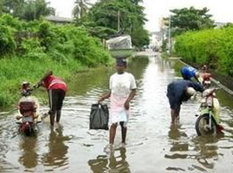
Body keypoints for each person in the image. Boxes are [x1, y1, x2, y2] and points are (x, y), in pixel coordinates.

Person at [98, 58, 136, 149]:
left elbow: (134, 91)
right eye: (117, 65)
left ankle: (123, 142)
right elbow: (111, 92)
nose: (118, 67)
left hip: (125, 103)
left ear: (125, 67)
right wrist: (103, 97)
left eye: (121, 66)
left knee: (123, 124)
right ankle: (111, 145)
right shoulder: (112, 77)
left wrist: (128, 101)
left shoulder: (130, 77)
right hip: (115, 103)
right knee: (113, 124)